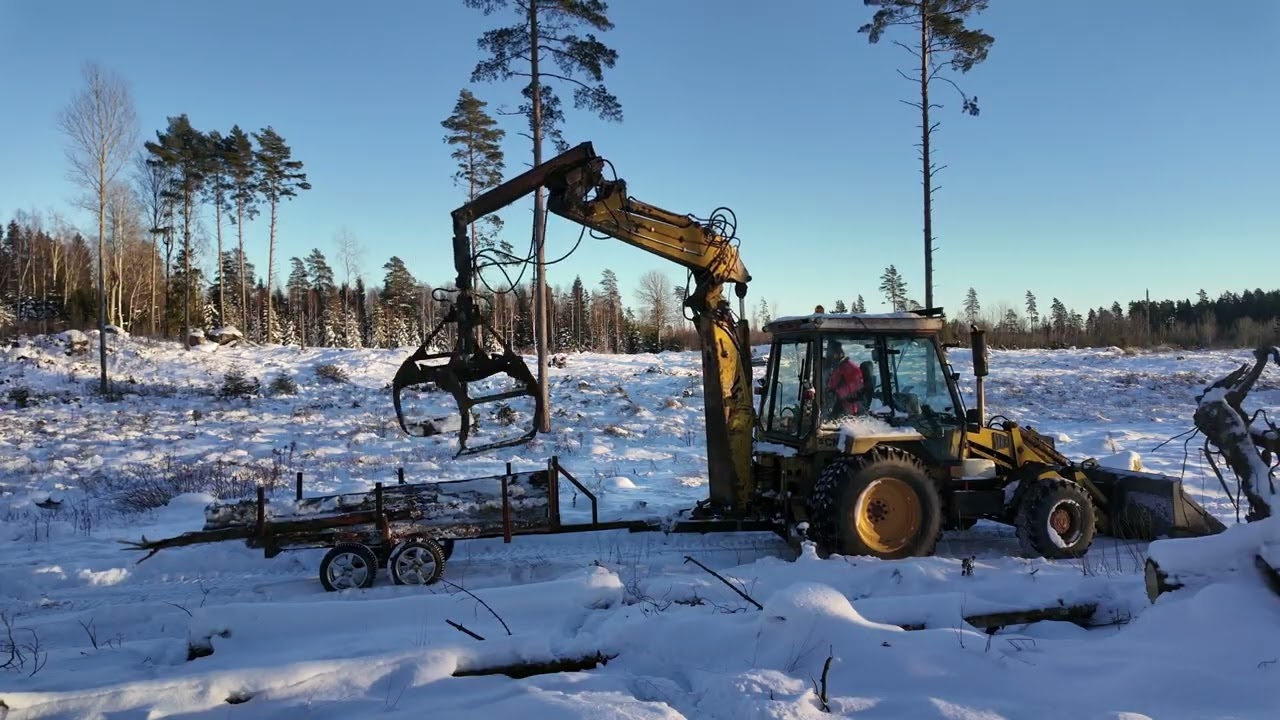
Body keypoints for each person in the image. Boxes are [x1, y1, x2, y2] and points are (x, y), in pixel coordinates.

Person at [824, 340, 863, 417]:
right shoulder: (836, 368)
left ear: (838, 353)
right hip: (835, 407)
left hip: (848, 411)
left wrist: (836, 393)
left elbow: (855, 387)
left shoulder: (851, 368)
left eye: (831, 353)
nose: (829, 356)